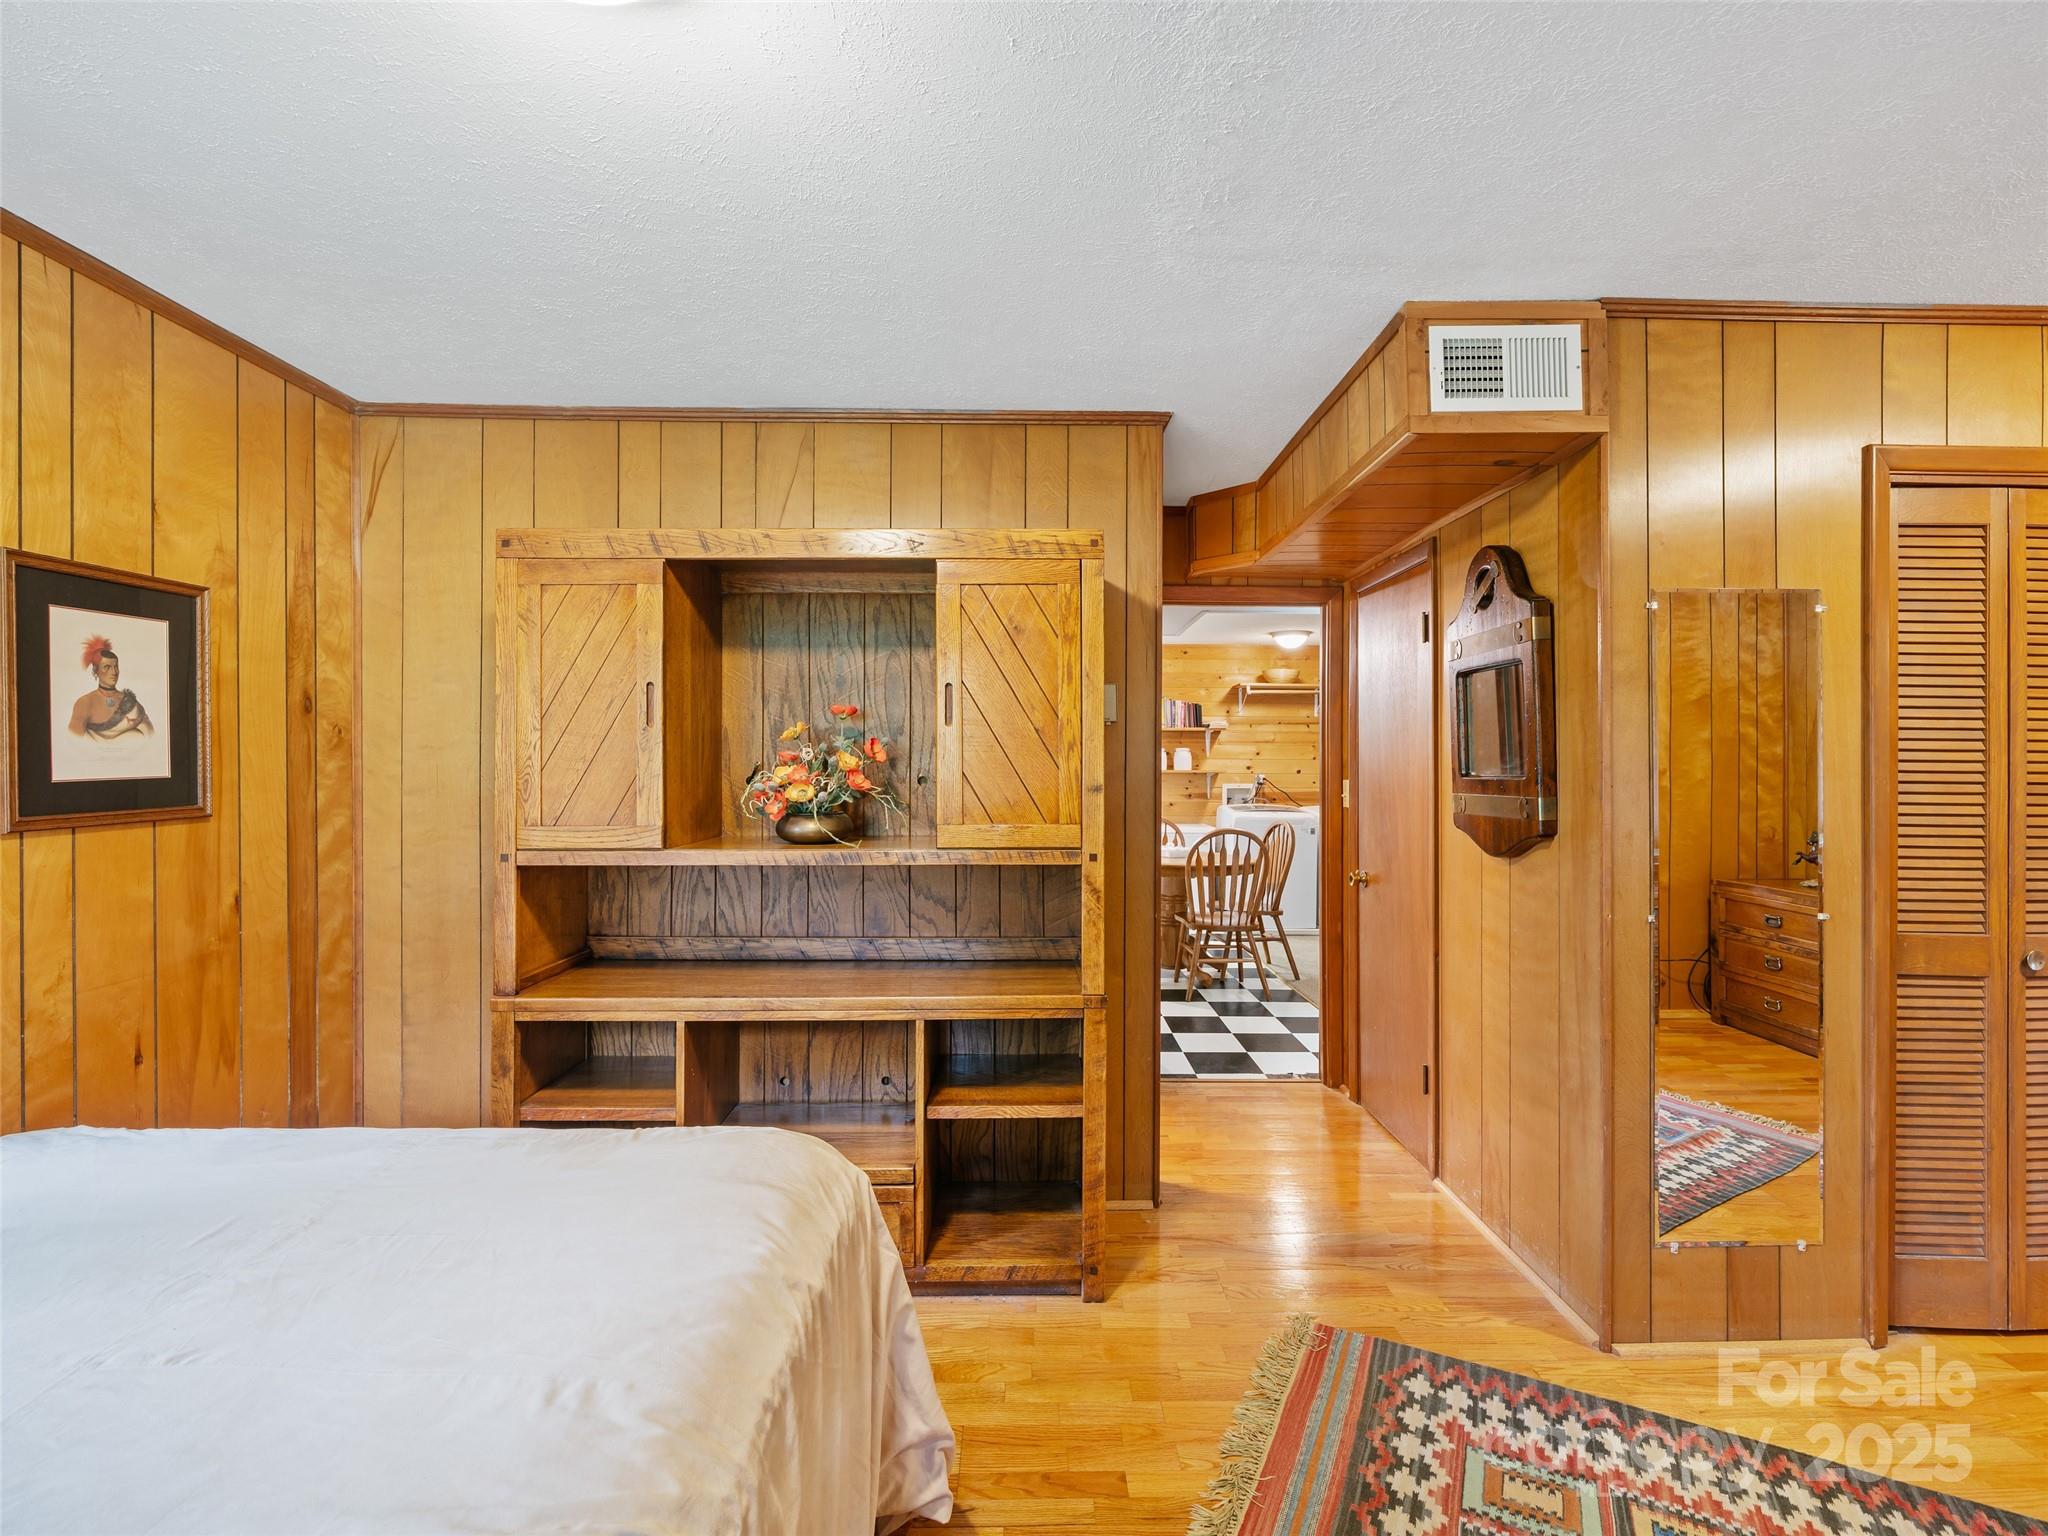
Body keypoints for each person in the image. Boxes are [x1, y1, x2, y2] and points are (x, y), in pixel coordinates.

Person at [67, 635, 152, 740]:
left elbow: (150, 734)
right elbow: (73, 742)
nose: (114, 672)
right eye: (107, 667)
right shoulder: (85, 702)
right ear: (96, 671)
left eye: (116, 666)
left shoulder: (130, 701)